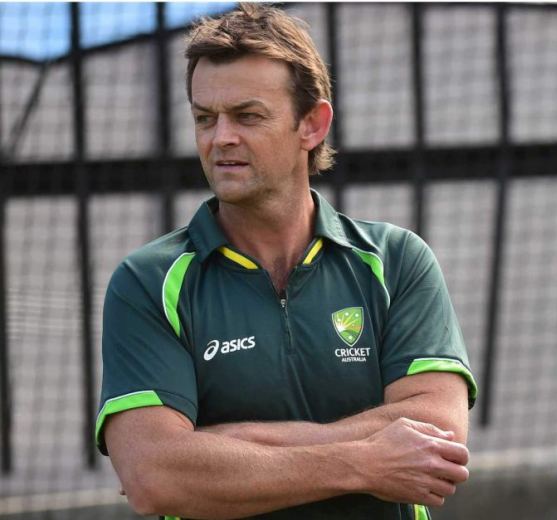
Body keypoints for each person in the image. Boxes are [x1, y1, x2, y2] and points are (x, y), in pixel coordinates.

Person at [95, 4, 477, 520]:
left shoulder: (396, 260)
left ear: (312, 125)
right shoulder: (147, 281)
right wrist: (364, 462)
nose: (220, 138)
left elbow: (439, 435)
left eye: (247, 116)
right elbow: (155, 476)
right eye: (205, 118)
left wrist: (224, 445)